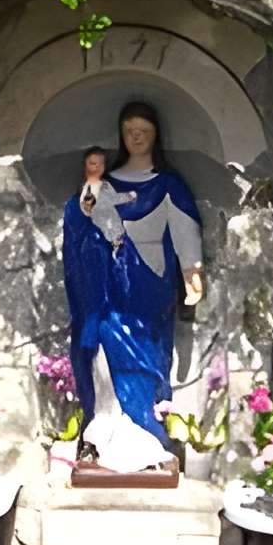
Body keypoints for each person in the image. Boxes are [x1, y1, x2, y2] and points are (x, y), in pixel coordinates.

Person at [62, 101, 204, 473]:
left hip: (150, 285)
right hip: (108, 287)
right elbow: (81, 221)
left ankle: (146, 432)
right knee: (106, 346)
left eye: (143, 130)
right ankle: (108, 427)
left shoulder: (168, 184)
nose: (136, 137)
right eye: (129, 131)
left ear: (156, 134)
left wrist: (192, 272)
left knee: (149, 359)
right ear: (121, 136)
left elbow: (186, 227)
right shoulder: (107, 185)